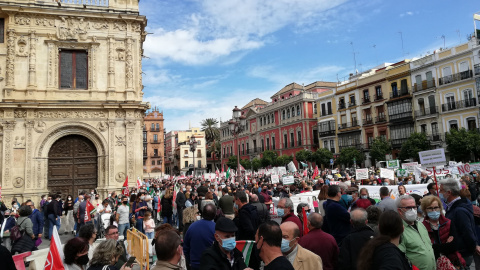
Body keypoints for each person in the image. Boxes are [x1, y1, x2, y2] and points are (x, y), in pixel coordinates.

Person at [440, 178, 478, 268]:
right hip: (459, 250)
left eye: (441, 190)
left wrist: (473, 247)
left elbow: (467, 231)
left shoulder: (459, 210)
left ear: (449, 192)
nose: (439, 192)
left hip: (462, 252)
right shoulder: (453, 207)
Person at [420, 195, 465, 268]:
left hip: (452, 261)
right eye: (430, 208)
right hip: (432, 264)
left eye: (436, 207)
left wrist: (435, 247)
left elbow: (454, 246)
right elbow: (426, 249)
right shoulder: (422, 226)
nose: (434, 210)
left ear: (440, 208)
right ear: (425, 210)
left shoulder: (448, 223)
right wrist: (445, 246)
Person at [396, 195, 435, 270]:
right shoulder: (399, 230)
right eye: (408, 208)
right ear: (400, 211)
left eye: (414, 207)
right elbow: (401, 256)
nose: (413, 210)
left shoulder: (420, 225)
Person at [183, 203, 217, 270]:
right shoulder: (216, 228)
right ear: (215, 215)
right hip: (210, 264)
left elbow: (186, 247)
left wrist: (189, 261)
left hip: (195, 264)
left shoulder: (192, 227)